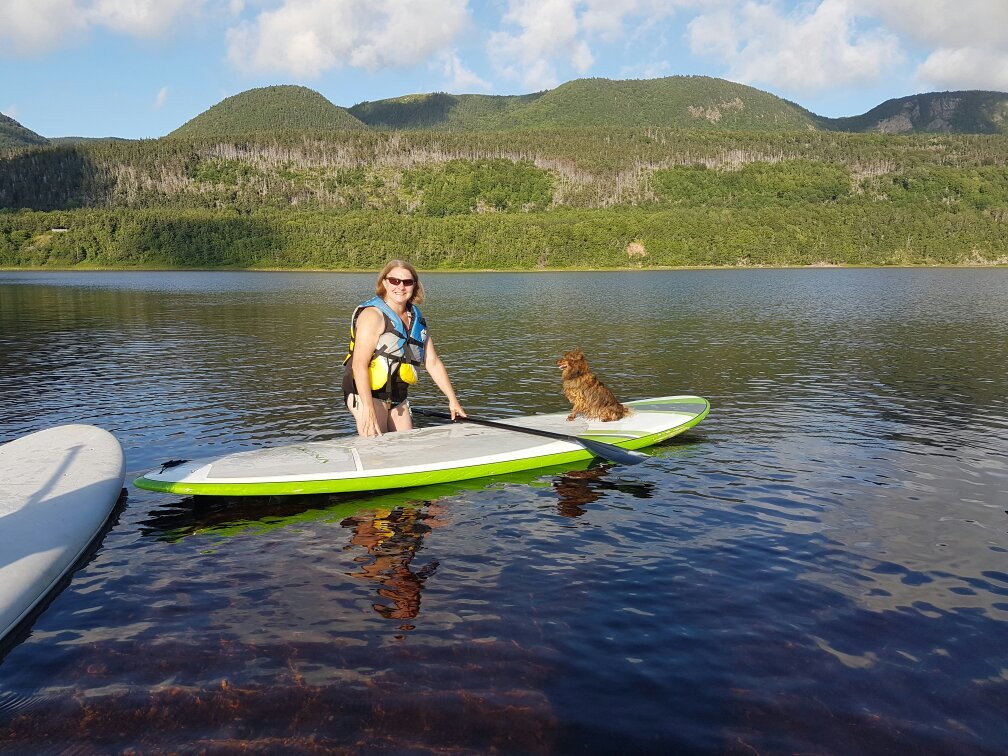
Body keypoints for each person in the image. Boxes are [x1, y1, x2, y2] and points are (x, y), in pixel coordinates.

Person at [342, 260, 466, 436]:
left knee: (406, 447)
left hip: (398, 397)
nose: (400, 287)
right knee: (376, 448)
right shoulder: (372, 316)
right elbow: (359, 365)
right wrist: (368, 409)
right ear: (384, 282)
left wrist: (453, 401)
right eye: (394, 281)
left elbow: (432, 362)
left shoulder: (416, 318)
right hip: (367, 395)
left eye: (407, 282)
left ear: (414, 285)